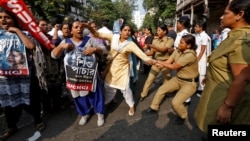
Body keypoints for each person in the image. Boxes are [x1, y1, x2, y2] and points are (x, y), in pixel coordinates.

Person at [195, 0, 250, 134]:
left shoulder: (242, 39)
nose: (221, 17)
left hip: (224, 99)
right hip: (218, 92)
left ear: (239, 15)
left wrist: (227, 107)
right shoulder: (235, 35)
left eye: (225, 13)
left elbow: (242, 78)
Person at [89, 23, 156, 116]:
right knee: (108, 87)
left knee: (126, 89)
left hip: (123, 69)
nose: (127, 32)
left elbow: (141, 55)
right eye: (125, 30)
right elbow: (98, 35)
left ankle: (131, 105)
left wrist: (152, 61)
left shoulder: (130, 44)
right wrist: (87, 27)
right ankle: (107, 102)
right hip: (112, 68)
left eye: (129, 31)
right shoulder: (113, 37)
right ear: (120, 31)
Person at [0, 8, 45, 141]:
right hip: (5, 77)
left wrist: (17, 31)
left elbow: (31, 46)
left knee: (32, 99)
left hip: (24, 75)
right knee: (8, 103)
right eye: (0, 17)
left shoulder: (24, 33)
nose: (3, 20)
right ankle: (11, 126)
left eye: (7, 17)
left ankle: (38, 121)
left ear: (14, 19)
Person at [51, 20, 106, 127]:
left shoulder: (90, 40)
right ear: (71, 30)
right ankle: (84, 114)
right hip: (74, 77)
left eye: (81, 27)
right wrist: (62, 47)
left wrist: (94, 49)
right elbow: (54, 55)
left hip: (90, 75)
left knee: (95, 94)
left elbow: (103, 49)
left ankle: (100, 113)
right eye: (76, 27)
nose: (79, 29)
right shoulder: (66, 41)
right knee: (78, 97)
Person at [145, 34, 198, 125]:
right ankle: (154, 107)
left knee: (176, 103)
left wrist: (159, 62)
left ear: (188, 45)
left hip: (189, 83)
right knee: (162, 89)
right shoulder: (178, 50)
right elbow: (168, 62)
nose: (178, 44)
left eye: (181, 43)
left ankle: (182, 116)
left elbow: (174, 66)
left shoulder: (190, 55)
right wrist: (157, 63)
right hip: (178, 79)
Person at [139, 25, 174, 102]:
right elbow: (151, 52)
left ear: (164, 31)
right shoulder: (155, 40)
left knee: (166, 81)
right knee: (149, 79)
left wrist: (152, 45)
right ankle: (143, 94)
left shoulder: (170, 40)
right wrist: (141, 54)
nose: (157, 32)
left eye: (159, 30)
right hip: (156, 62)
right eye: (157, 30)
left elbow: (163, 50)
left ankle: (165, 94)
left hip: (166, 63)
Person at [194, 21, 211, 97]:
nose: (195, 27)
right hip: (197, 54)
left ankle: (202, 89)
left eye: (196, 26)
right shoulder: (197, 35)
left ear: (201, 28)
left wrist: (198, 59)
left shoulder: (204, 36)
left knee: (202, 73)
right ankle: (199, 87)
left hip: (202, 56)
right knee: (197, 72)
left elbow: (203, 49)